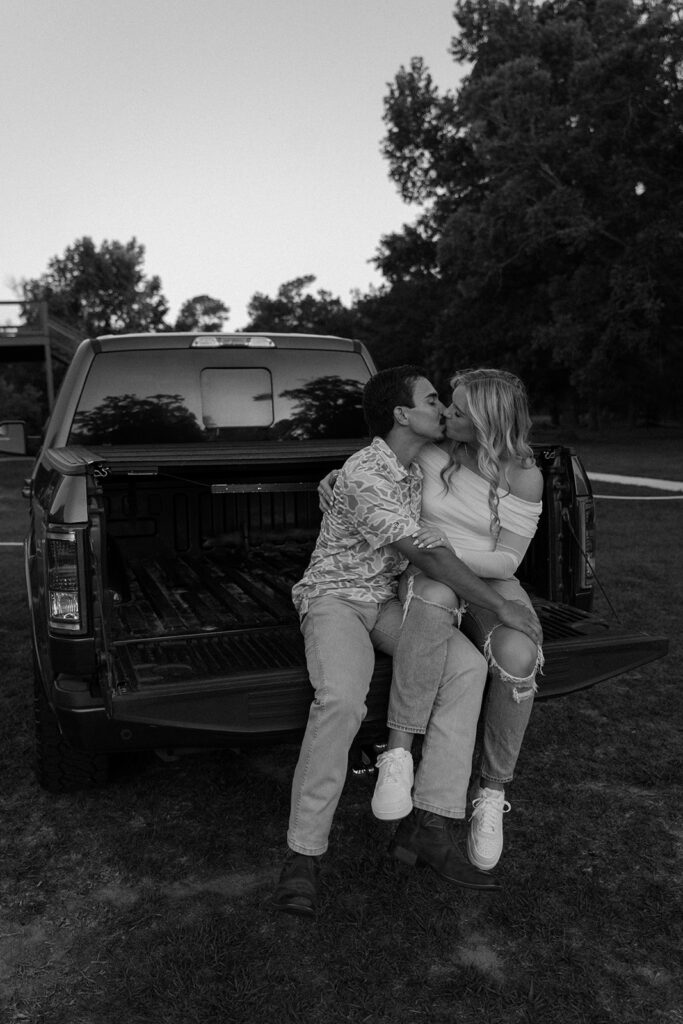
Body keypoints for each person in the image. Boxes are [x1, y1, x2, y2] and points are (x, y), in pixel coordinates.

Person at [269, 365, 542, 918]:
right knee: (342, 700)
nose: (443, 409)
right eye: (434, 399)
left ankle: (428, 828)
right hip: (338, 600)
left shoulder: (420, 465)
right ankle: (303, 856)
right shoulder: (367, 471)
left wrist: (332, 481)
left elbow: (462, 518)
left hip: (390, 601)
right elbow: (429, 555)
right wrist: (503, 606)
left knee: (466, 669)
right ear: (402, 413)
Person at [368, 368, 544, 874]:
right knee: (437, 589)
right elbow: (375, 468)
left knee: (519, 654)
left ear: (488, 421)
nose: (447, 412)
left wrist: (446, 549)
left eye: (460, 409)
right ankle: (398, 755)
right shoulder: (429, 447)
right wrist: (337, 477)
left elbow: (507, 562)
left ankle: (491, 793)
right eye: (447, 403)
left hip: (487, 577)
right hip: (429, 573)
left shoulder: (523, 473)